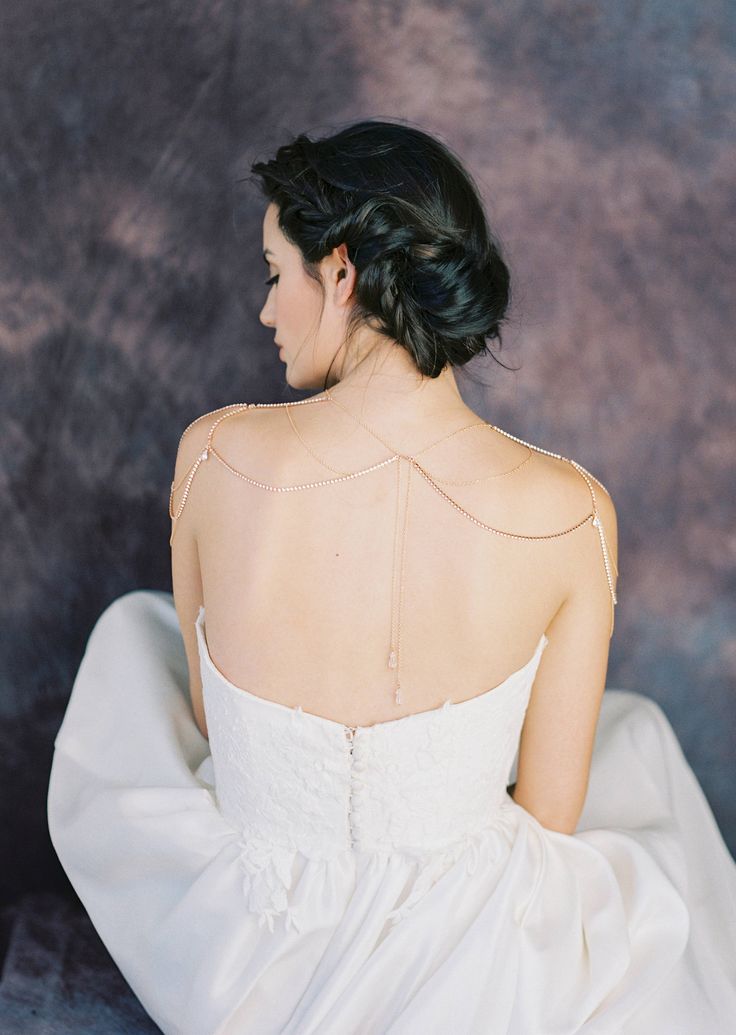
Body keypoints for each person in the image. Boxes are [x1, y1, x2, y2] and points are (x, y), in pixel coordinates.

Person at [48, 119, 736, 1034]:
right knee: (634, 738)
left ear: (340, 274)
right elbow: (550, 815)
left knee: (138, 640)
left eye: (273, 274)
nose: (264, 311)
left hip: (243, 962)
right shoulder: (575, 511)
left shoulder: (211, 454)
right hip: (473, 968)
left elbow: (217, 731)